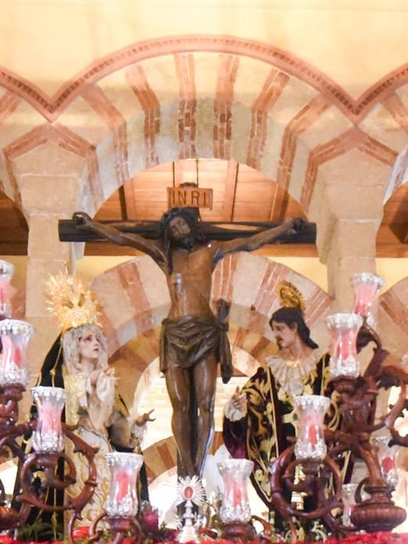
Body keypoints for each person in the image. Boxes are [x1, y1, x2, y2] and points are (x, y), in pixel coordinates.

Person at [71, 207, 305, 483]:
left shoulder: (211, 250)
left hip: (205, 332)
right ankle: (188, 475)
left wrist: (285, 227)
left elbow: (249, 242)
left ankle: (197, 468)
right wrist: (93, 226)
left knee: (205, 403)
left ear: (193, 225)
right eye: (172, 230)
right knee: (180, 405)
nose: (178, 232)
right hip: (175, 334)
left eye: (181, 226)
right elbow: (125, 239)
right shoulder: (167, 256)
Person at [23, 275, 150, 538]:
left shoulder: (107, 380)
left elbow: (116, 433)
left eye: (97, 340)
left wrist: (134, 426)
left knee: (105, 509)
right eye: (87, 339)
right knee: (77, 505)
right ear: (73, 345)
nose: (95, 344)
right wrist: (85, 384)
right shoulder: (57, 379)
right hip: (73, 452)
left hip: (102, 452)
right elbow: (50, 407)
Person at [221, 281, 330, 510]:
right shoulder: (271, 370)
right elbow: (253, 400)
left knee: (319, 507)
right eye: (274, 331)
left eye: (280, 329)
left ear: (296, 328)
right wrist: (238, 410)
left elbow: (341, 403)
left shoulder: (324, 366)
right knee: (285, 508)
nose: (277, 336)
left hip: (320, 457)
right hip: (280, 457)